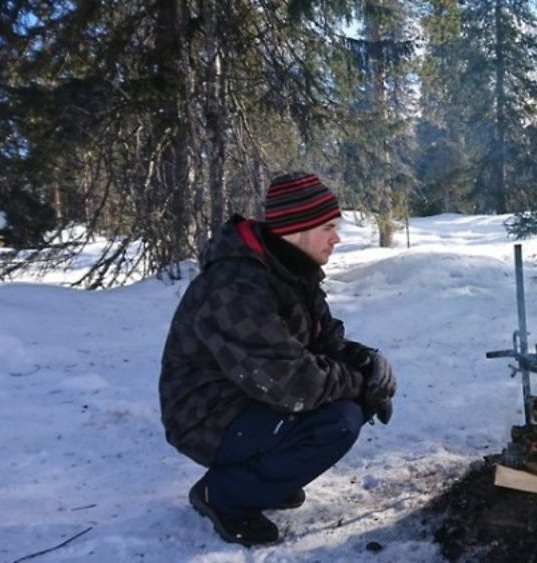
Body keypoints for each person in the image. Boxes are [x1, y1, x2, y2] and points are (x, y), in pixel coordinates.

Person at [159, 171, 396, 547]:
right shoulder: (236, 285)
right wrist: (359, 384)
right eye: (327, 227)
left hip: (245, 398)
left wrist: (367, 362)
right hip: (206, 416)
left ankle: (262, 480)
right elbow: (291, 382)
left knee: (346, 402)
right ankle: (224, 495)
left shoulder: (288, 269)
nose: (336, 238)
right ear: (296, 228)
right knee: (339, 420)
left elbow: (325, 340)